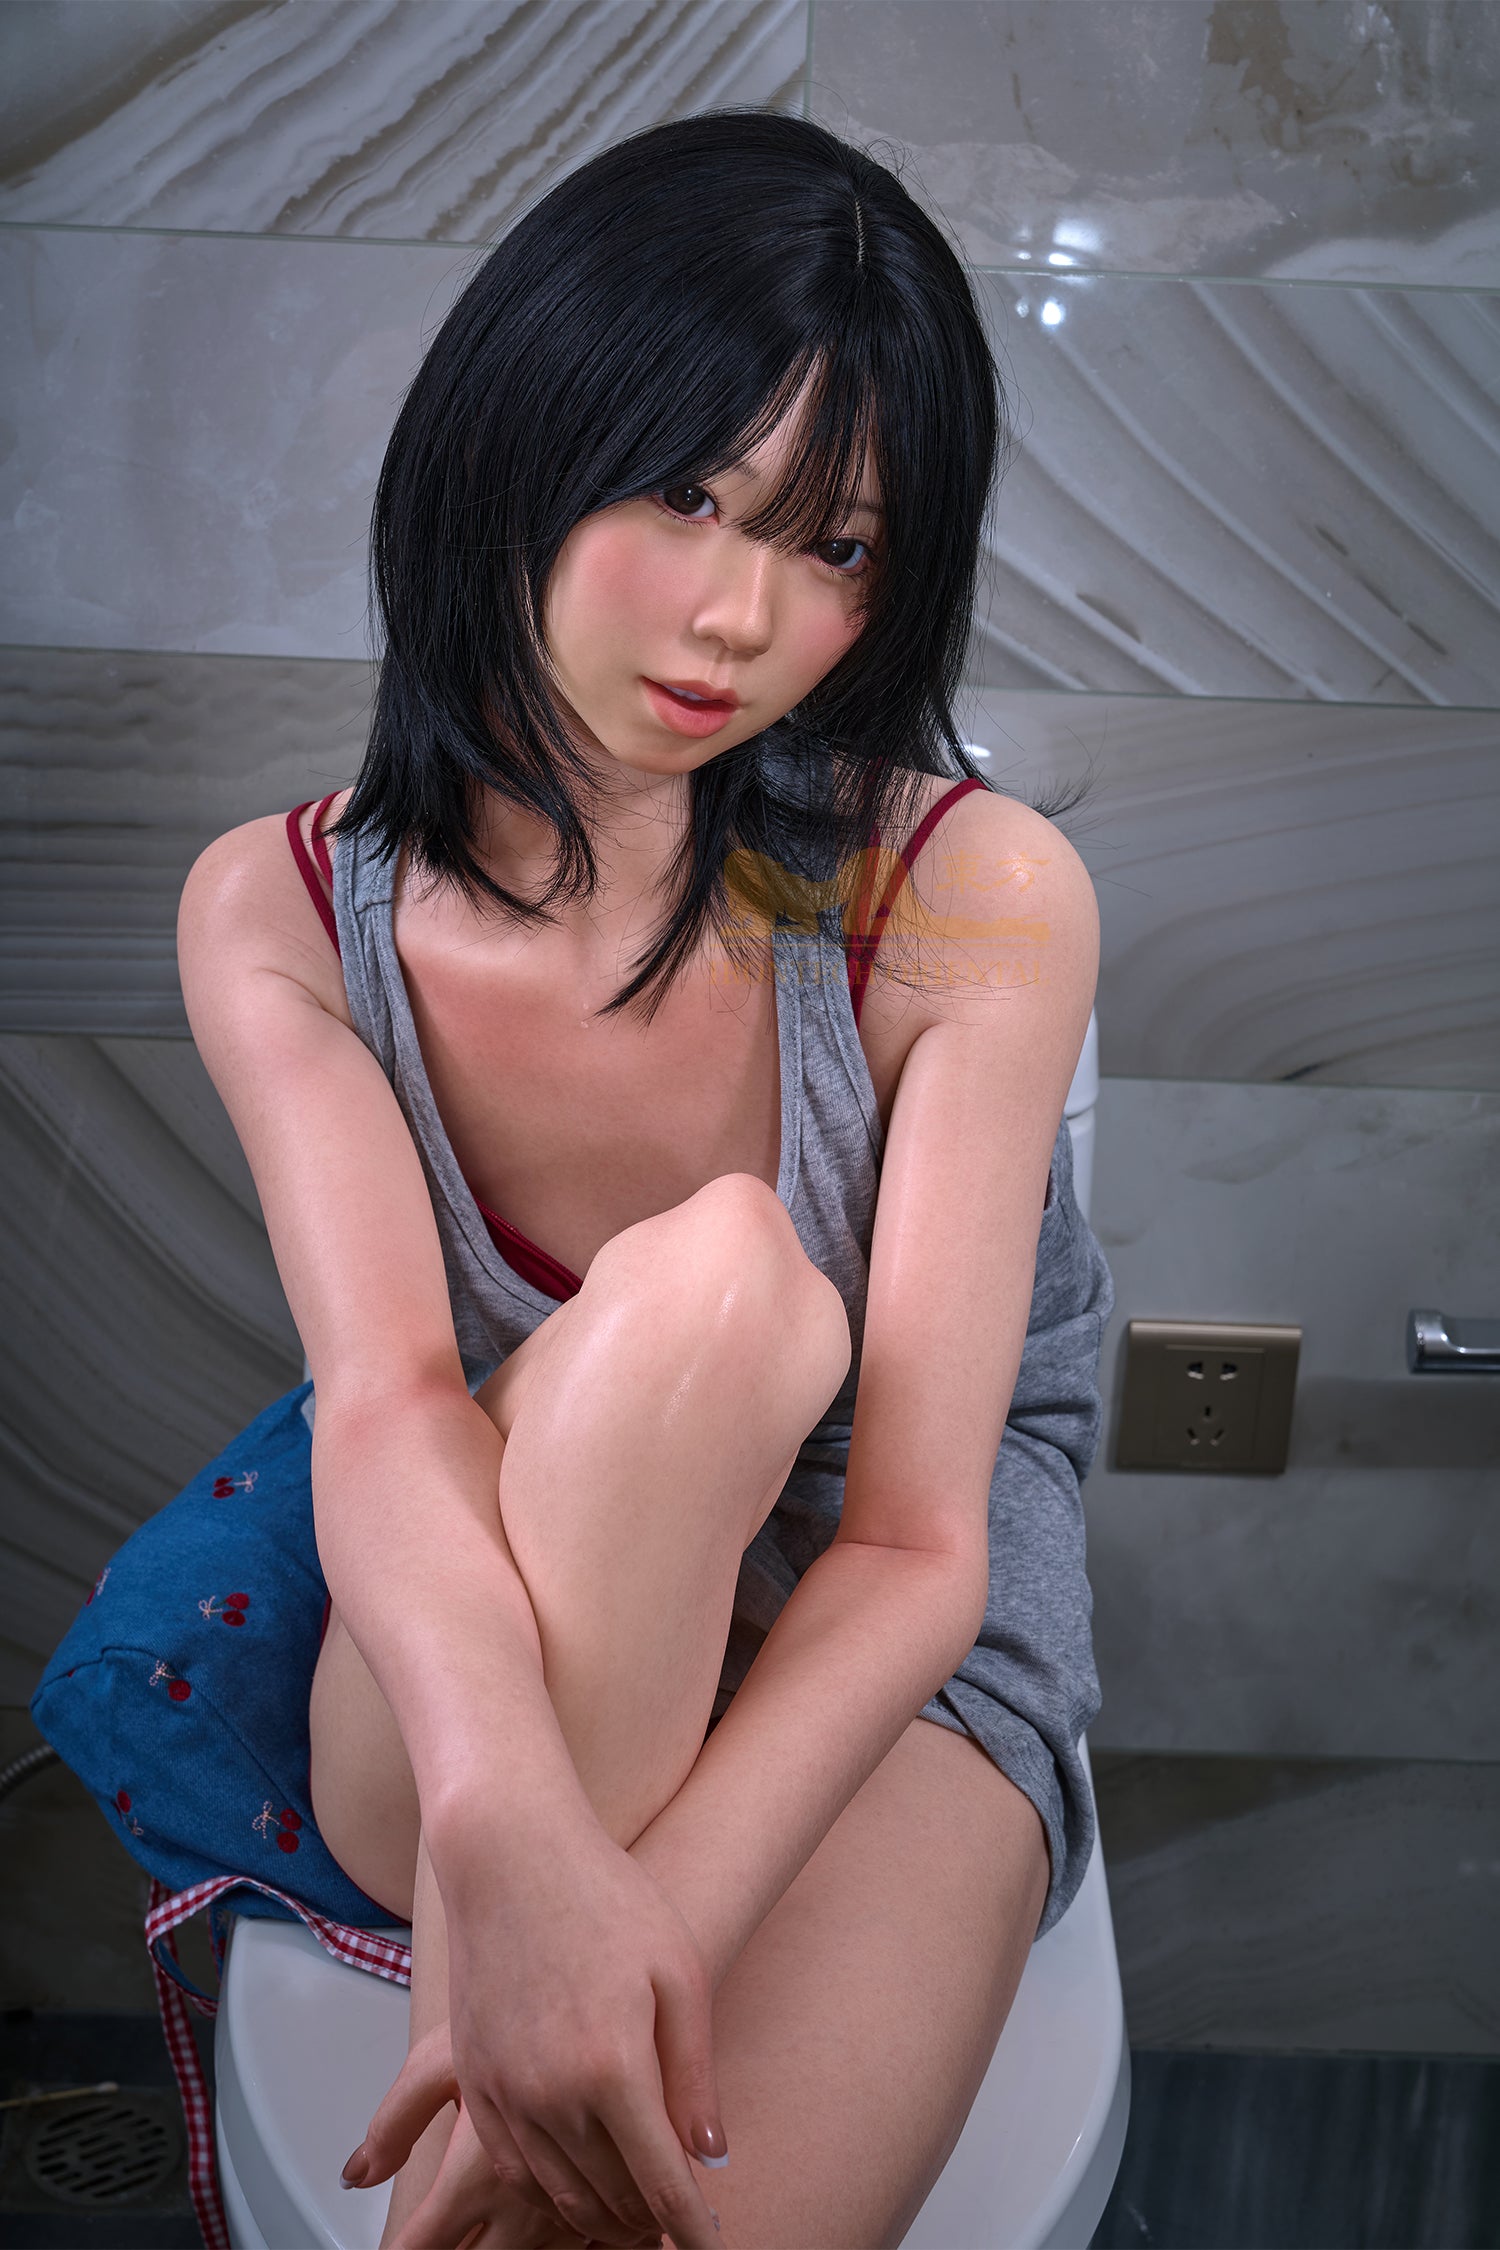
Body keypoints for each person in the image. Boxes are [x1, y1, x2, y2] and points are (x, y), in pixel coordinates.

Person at [170, 108, 1107, 2250]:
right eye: (685, 492)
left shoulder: (965, 898)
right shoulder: (281, 911)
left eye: (837, 548)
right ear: (523, 429)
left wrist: (627, 1936)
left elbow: (919, 1542)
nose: (740, 616)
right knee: (710, 1299)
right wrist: (514, 1836)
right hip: (488, 1640)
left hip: (887, 1647)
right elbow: (389, 1406)